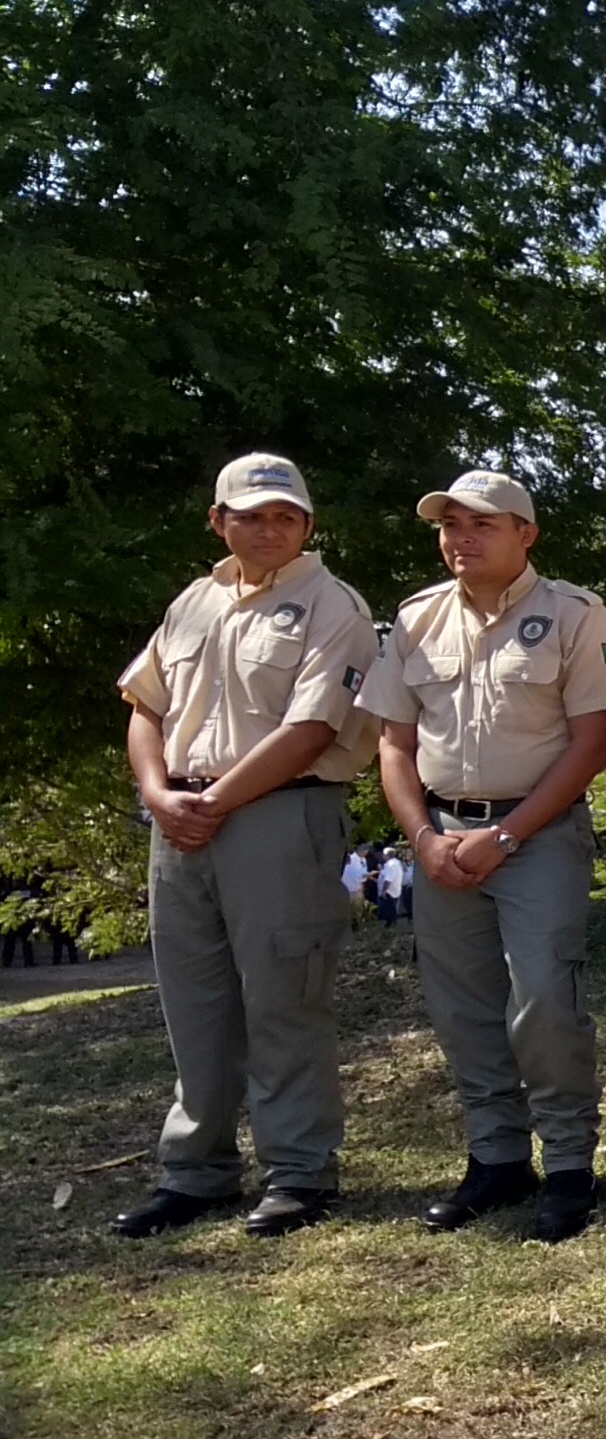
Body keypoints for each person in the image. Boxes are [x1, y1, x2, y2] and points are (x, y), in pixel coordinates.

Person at [359, 469, 606, 1242]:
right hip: (442, 837)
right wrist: (422, 839)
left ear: (527, 534)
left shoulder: (577, 616)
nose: (461, 538)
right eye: (449, 525)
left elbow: (593, 744)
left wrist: (507, 835)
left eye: (481, 524)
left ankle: (571, 1164)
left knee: (546, 999)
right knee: (464, 1010)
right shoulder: (415, 620)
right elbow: (394, 744)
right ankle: (496, 1159)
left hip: (537, 835)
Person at [108, 453, 379, 1240]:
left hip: (278, 816)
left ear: (307, 524)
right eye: (252, 515)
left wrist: (214, 801)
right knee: (194, 1003)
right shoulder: (192, 604)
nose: (270, 528)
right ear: (218, 520)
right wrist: (160, 797)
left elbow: (313, 727)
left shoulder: (333, 605)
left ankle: (298, 1172)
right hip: (181, 819)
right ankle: (197, 1172)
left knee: (285, 999)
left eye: (286, 516)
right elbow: (145, 707)